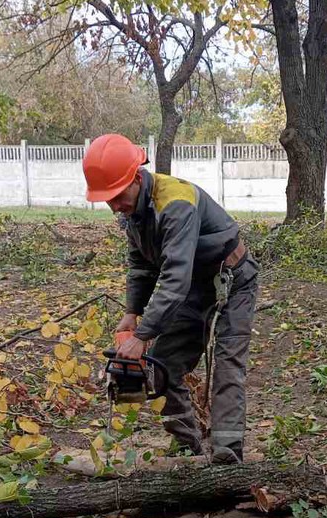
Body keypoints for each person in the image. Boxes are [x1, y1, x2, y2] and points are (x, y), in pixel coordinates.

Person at [82, 133, 259, 464]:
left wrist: (142, 336)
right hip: (194, 284)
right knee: (163, 364)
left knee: (227, 366)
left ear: (136, 177)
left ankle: (226, 457)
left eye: (118, 196)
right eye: (108, 200)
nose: (114, 206)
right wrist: (132, 313)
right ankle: (187, 447)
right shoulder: (133, 210)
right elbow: (140, 266)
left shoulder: (175, 203)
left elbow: (174, 280)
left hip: (232, 278)